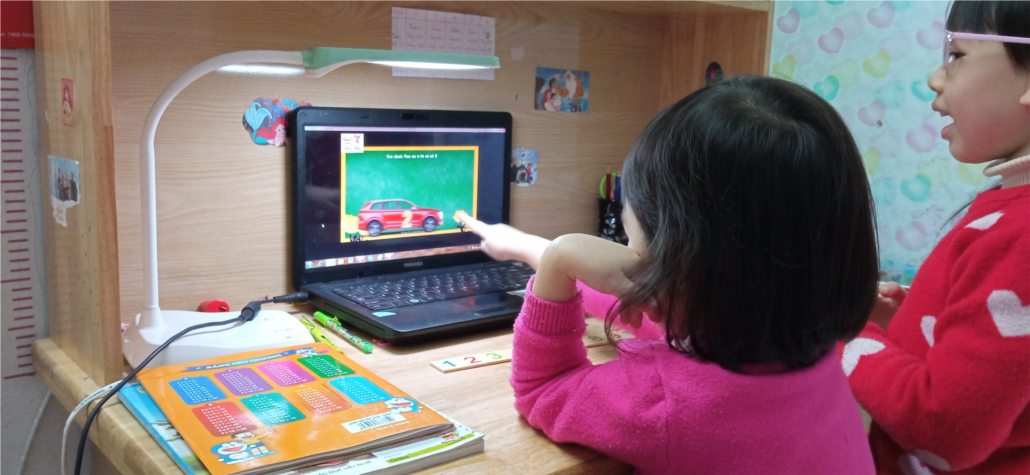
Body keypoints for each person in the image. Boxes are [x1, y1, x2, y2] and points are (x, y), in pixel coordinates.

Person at [458, 75, 878, 474]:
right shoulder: (808, 350)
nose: (630, 259)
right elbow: (634, 293)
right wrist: (529, 246)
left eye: (633, 243)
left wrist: (557, 264)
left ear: (686, 264)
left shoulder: (665, 402)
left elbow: (543, 390)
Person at [844, 1, 1030, 473]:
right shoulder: (1010, 210)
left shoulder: (1022, 234)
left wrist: (848, 335)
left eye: (957, 55)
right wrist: (913, 323)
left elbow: (943, 428)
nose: (935, 78)